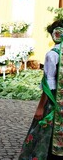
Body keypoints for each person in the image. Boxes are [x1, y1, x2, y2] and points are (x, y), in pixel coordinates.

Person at [18, 19, 63, 159]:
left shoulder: (53, 54)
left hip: (55, 102)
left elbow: (48, 85)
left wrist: (40, 107)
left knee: (47, 135)